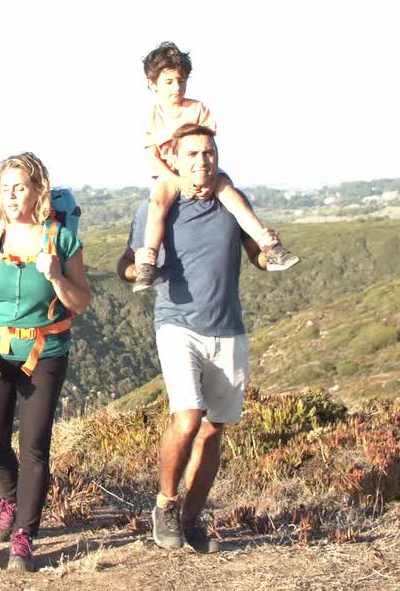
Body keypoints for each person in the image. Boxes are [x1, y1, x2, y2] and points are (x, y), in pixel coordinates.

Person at [117, 123, 275, 553]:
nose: (202, 161)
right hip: (176, 323)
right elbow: (124, 266)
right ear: (176, 160)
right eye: (192, 154)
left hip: (228, 327)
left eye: (208, 153)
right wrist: (139, 271)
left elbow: (254, 257)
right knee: (187, 416)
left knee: (212, 431)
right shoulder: (157, 208)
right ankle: (166, 503)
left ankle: (191, 519)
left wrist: (268, 254)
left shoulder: (233, 204)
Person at [0, 152, 90, 572]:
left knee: (35, 445)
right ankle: (9, 497)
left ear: (38, 190)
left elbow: (82, 303)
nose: (11, 196)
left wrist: (55, 276)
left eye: (20, 187)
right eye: (4, 188)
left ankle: (24, 534)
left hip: (45, 353)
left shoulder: (63, 240)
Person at [133, 41, 298, 293]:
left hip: (206, 171)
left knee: (231, 196)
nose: (176, 87)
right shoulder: (150, 118)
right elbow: (153, 157)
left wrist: (208, 182)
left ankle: (269, 246)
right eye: (169, 82)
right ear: (152, 84)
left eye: (181, 81)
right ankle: (148, 263)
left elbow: (209, 148)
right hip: (171, 175)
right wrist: (178, 181)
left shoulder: (198, 109)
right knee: (157, 204)